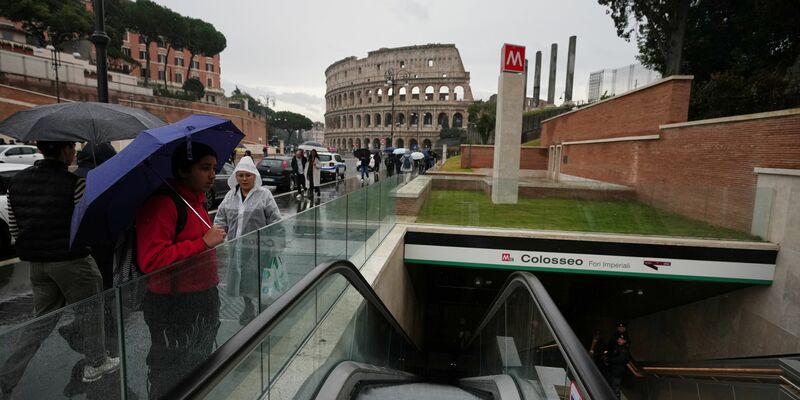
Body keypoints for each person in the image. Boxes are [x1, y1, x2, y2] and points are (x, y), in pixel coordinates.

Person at [1, 141, 119, 397]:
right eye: (72, 147)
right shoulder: (73, 182)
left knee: (39, 323)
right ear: (64, 150)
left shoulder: (17, 182)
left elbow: (14, 227)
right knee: (91, 310)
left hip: (37, 264)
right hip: (73, 261)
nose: (75, 152)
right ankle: (96, 362)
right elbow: (84, 223)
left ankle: (7, 377)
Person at [135, 141, 226, 400]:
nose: (212, 175)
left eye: (213, 168)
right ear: (184, 170)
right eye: (204, 168)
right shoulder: (163, 204)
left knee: (199, 365)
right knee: (172, 371)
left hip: (202, 298)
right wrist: (202, 243)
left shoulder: (195, 202)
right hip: (173, 305)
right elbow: (150, 260)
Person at [214, 156, 282, 325]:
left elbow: (276, 220)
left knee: (260, 276)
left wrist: (277, 244)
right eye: (240, 175)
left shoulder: (264, 195)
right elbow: (220, 219)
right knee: (242, 276)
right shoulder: (230, 196)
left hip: (261, 247)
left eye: (247, 175)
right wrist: (219, 235)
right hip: (237, 247)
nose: (244, 179)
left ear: (254, 176)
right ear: (236, 176)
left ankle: (264, 306)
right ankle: (248, 305)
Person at [74, 142, 118, 289]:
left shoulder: (74, 178)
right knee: (105, 284)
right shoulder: (101, 180)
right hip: (100, 244)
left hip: (82, 245)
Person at [605, 333, 631, 399]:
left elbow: (619, 359)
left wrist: (609, 360)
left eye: (622, 339)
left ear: (625, 341)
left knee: (615, 391)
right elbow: (610, 353)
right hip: (611, 371)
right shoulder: (616, 347)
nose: (619, 340)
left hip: (617, 373)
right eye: (619, 339)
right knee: (607, 387)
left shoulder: (625, 350)